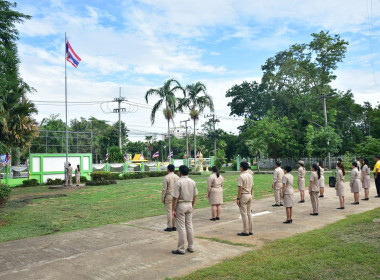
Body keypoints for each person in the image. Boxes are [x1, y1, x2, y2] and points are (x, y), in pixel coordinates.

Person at [171, 165, 198, 255]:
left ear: (180, 172)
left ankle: (181, 248)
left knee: (181, 227)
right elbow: (195, 196)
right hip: (189, 204)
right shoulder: (192, 182)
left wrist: (173, 209)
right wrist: (192, 206)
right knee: (189, 226)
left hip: (181, 205)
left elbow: (175, 198)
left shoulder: (178, 183)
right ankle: (191, 246)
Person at [236, 161, 254, 236]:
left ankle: (245, 231)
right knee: (249, 213)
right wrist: (251, 194)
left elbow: (240, 188)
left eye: (240, 166)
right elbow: (252, 186)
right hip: (249, 194)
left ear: (242, 167)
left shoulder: (241, 176)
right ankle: (250, 230)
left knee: (244, 214)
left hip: (244, 195)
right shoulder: (250, 175)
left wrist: (238, 198)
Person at [161, 164, 179, 232]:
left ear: (168, 169)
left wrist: (163, 197)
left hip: (169, 195)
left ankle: (169, 226)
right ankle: (174, 226)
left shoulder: (166, 177)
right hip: (176, 196)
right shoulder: (177, 177)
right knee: (174, 210)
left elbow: (164, 189)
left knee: (169, 211)